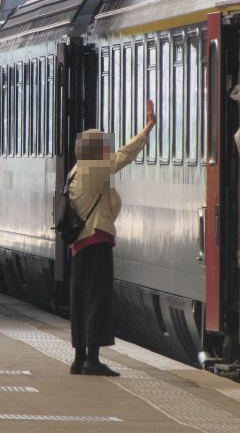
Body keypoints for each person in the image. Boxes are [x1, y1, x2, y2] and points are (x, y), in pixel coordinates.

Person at [68, 100, 156, 377]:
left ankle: (79, 358)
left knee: (81, 301)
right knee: (97, 299)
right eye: (103, 148)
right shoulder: (92, 171)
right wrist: (147, 130)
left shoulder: (75, 171)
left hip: (81, 245)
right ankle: (92, 360)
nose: (107, 151)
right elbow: (124, 156)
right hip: (95, 242)